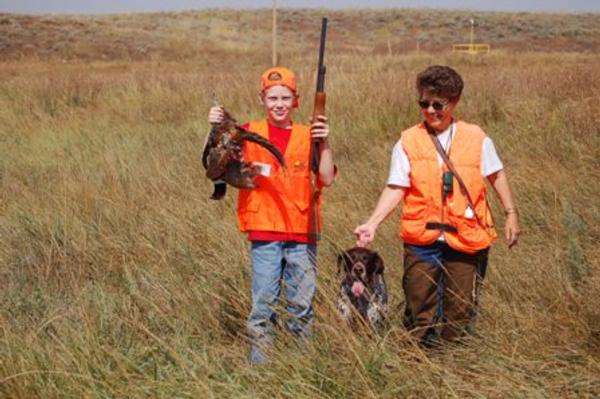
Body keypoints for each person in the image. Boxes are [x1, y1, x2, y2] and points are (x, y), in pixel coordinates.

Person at [354, 65, 520, 346]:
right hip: (422, 239)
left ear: (454, 101)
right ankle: (418, 364)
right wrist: (373, 222)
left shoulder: (477, 137)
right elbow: (396, 186)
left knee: (460, 308)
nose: (430, 110)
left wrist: (511, 213)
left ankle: (452, 364)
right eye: (424, 103)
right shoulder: (408, 140)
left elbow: (497, 175)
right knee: (419, 307)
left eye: (438, 104)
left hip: (465, 237)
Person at [208, 67, 335, 364]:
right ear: (262, 99)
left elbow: (326, 178)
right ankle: (260, 373)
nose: (278, 103)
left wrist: (325, 142)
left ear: (296, 101)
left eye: (285, 97)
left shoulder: (309, 135)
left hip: (303, 234)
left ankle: (301, 369)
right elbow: (214, 167)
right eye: (272, 97)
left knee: (301, 307)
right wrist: (215, 125)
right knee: (263, 306)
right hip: (264, 233)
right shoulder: (247, 132)